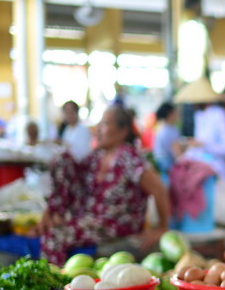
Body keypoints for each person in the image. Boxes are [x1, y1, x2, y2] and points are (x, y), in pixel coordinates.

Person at [39, 105, 170, 264]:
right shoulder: (96, 156)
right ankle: (56, 215)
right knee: (62, 158)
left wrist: (161, 229)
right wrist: (51, 209)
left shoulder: (129, 157)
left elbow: (159, 191)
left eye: (105, 124)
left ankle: (57, 285)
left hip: (118, 223)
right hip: (91, 218)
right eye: (98, 124)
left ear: (123, 131)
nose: (98, 129)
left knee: (54, 237)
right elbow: (70, 177)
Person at [177, 78, 225, 182]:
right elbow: (198, 147)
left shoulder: (219, 115)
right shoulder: (199, 115)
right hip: (201, 173)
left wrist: (204, 145)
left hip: (219, 175)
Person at [152, 102, 182, 173]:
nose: (177, 115)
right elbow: (174, 150)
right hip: (165, 164)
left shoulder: (171, 128)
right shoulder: (165, 131)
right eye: (175, 112)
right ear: (170, 114)